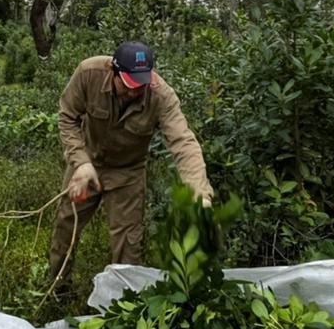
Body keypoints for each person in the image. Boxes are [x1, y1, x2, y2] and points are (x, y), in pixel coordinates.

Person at [48, 40, 214, 285]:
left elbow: (183, 143)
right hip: (86, 166)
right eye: (130, 85)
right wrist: (80, 161)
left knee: (128, 245)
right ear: (114, 72)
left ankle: (124, 307)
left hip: (128, 173)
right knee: (66, 225)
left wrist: (199, 193)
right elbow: (67, 116)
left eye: (142, 84)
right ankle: (57, 288)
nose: (136, 91)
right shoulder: (89, 73)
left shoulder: (161, 96)